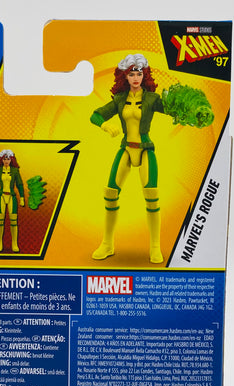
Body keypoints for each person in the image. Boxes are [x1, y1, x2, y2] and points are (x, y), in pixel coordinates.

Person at [90, 53, 213, 264]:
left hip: (145, 149)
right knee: (110, 193)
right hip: (126, 148)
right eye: (131, 74)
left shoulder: (152, 99)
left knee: (152, 195)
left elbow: (172, 108)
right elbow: (95, 115)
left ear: (144, 75)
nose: (135, 78)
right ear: (125, 76)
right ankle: (107, 243)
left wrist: (192, 108)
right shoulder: (120, 99)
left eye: (139, 74)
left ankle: (155, 247)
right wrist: (105, 125)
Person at [0, 149, 25, 252]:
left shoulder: (15, 171)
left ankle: (14, 243)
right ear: (1, 159)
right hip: (1, 197)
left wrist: (22, 198)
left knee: (13, 220)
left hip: (11, 197)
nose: (6, 161)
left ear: (11, 160)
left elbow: (19, 184)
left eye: (8, 159)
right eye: (4, 159)